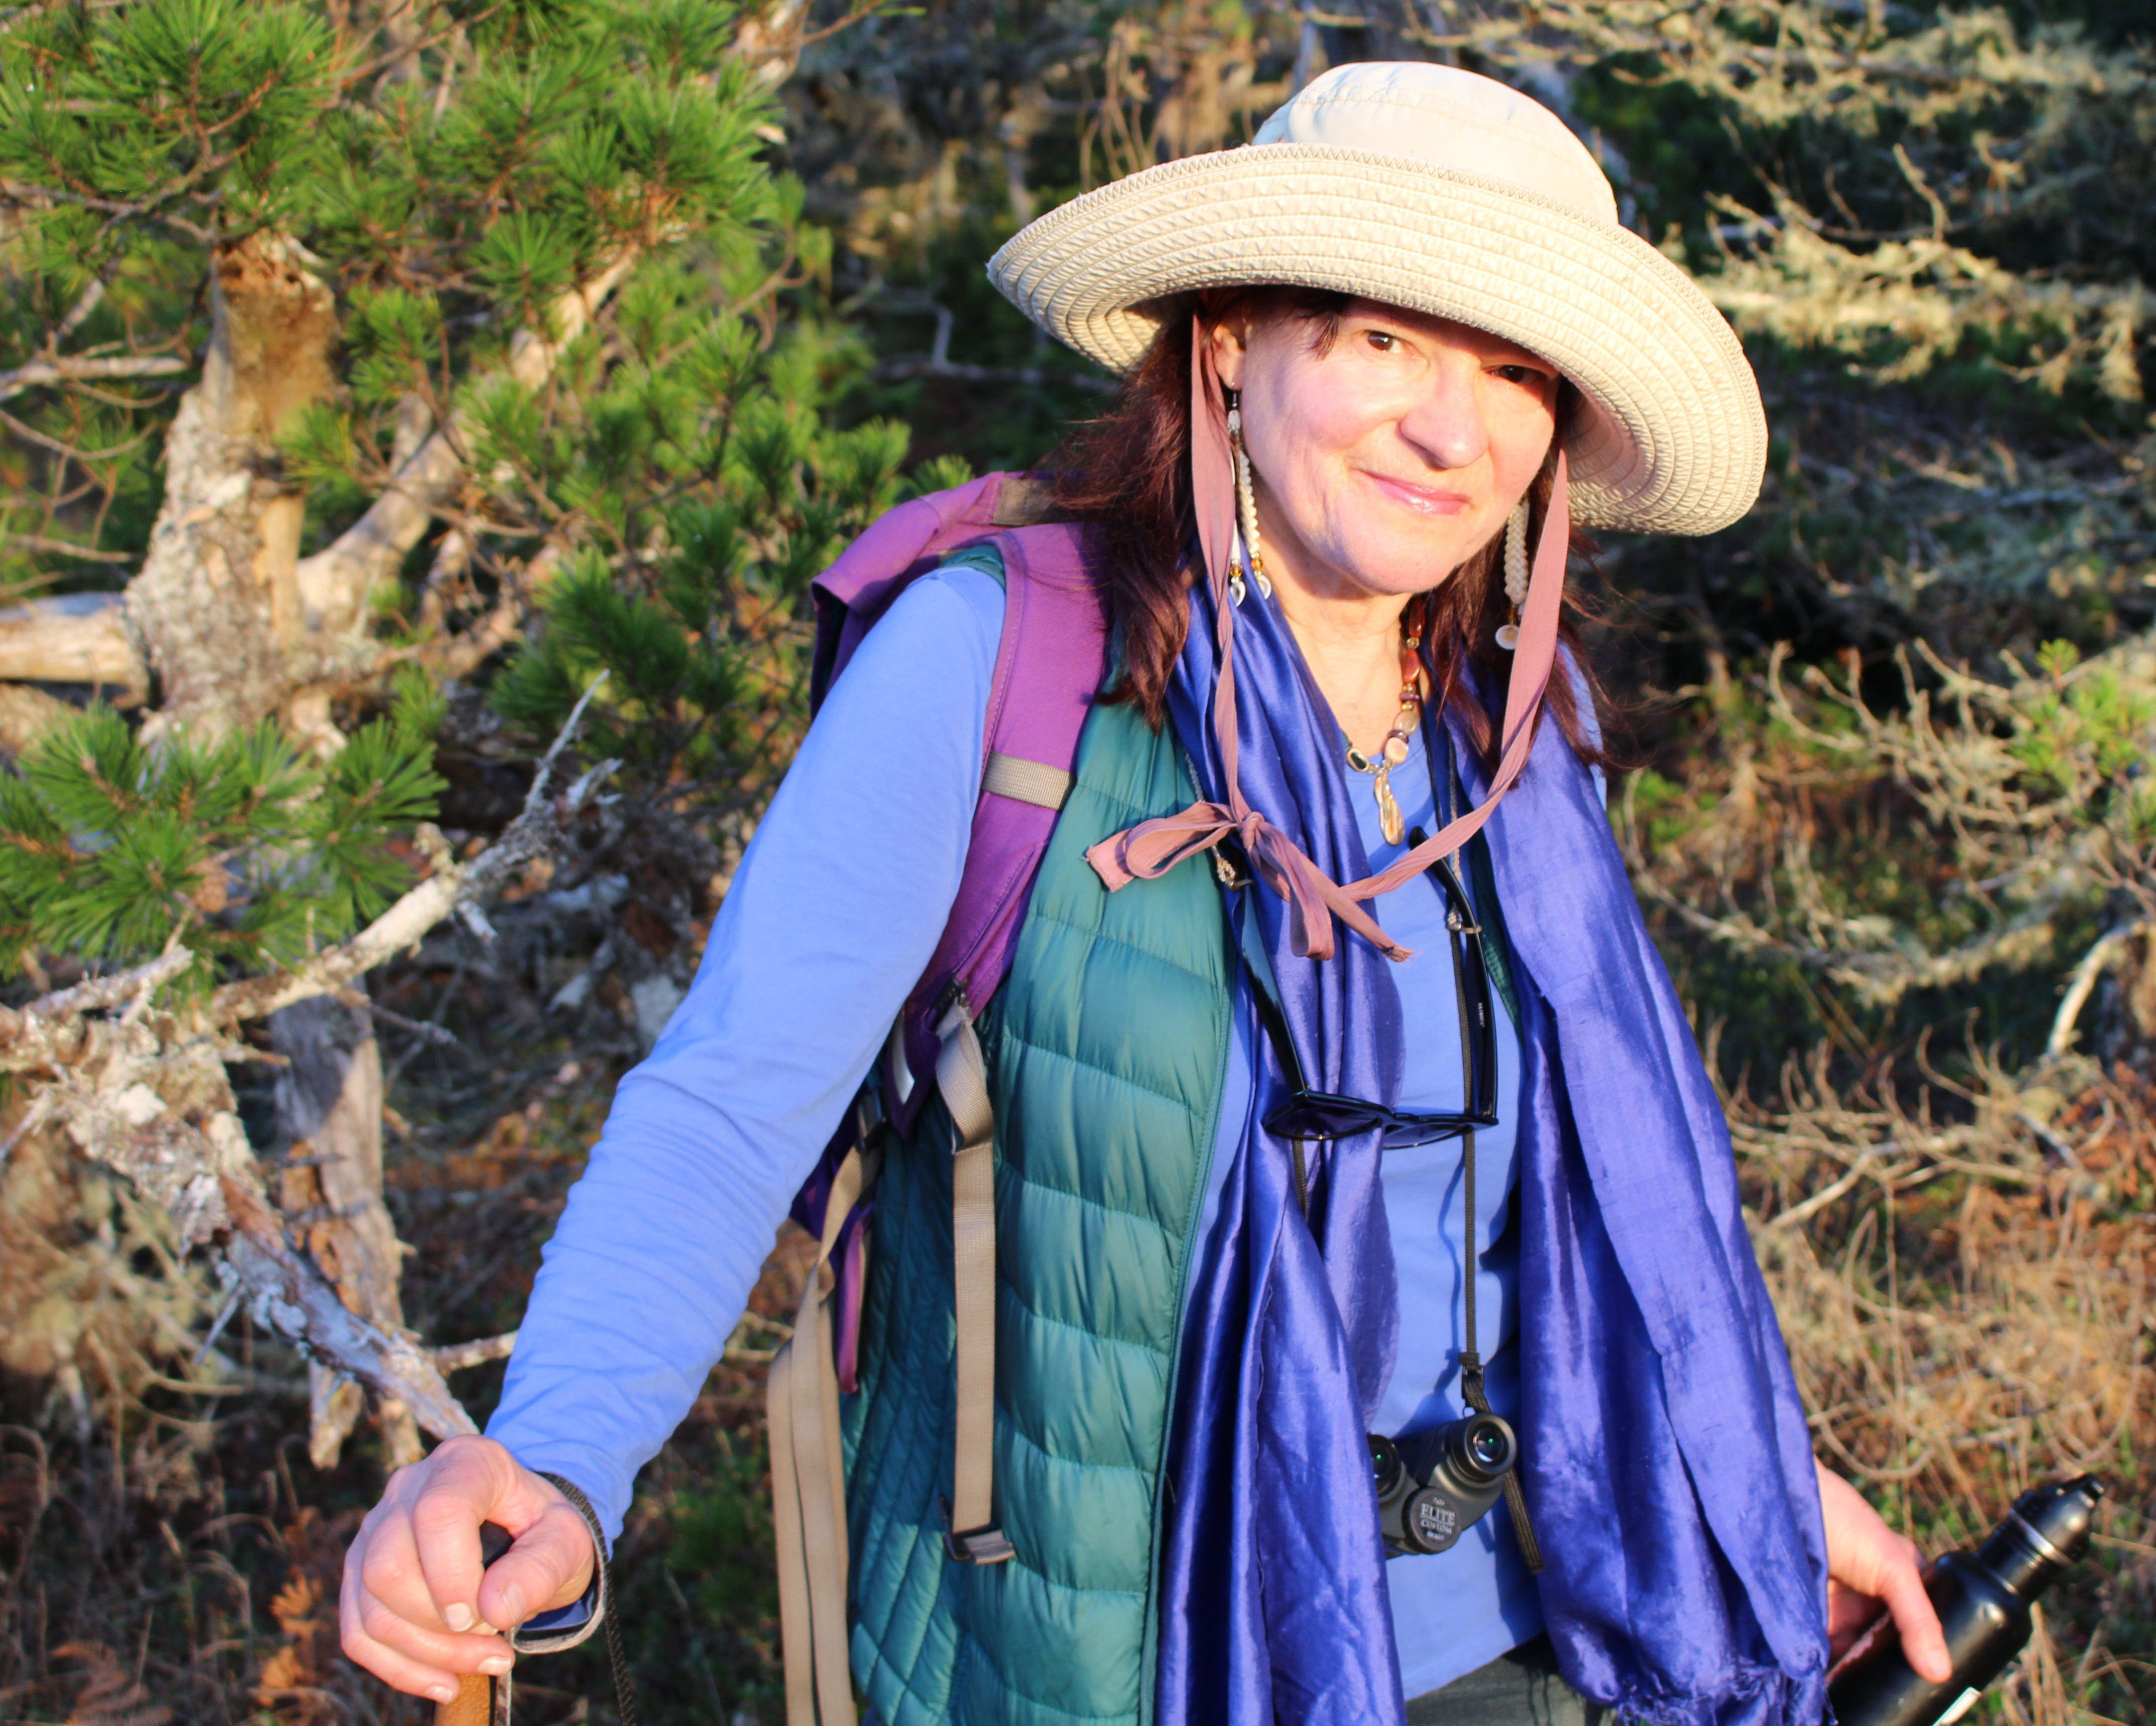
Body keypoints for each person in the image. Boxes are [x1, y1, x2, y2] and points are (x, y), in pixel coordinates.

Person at [341, 61, 1956, 1726]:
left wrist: (1747, 1484)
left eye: (1514, 370)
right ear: (1231, 343)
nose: (1453, 431)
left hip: (1539, 1644)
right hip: (1115, 1662)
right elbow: (729, 1104)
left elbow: (1576, 1212)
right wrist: (559, 1457)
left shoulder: (1520, 738)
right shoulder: (1000, 660)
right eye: (1380, 338)